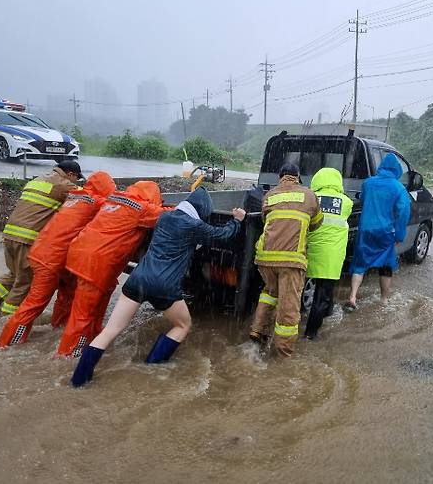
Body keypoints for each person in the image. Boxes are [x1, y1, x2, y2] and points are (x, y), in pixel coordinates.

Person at [70, 188, 246, 387]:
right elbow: (221, 235)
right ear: (201, 210)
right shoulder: (194, 225)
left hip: (137, 280)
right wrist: (237, 220)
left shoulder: (164, 218)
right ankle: (151, 369)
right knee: (183, 325)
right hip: (164, 286)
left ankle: (78, 380)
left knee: (111, 330)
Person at [0, 172, 116, 348]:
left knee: (66, 294)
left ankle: (57, 327)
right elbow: (119, 207)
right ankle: (6, 344)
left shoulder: (75, 197)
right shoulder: (95, 202)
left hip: (43, 252)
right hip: (50, 259)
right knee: (35, 304)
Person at [57, 180, 165, 357]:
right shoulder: (140, 208)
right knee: (83, 316)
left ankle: (86, 342)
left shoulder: (115, 199)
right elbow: (171, 216)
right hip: (95, 264)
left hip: (78, 256)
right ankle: (67, 357)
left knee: (84, 308)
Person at [0, 161, 81, 316]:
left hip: (10, 233)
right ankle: (4, 320)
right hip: (26, 238)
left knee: (14, 274)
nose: (76, 182)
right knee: (26, 280)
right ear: (71, 174)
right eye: (77, 179)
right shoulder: (63, 184)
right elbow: (87, 196)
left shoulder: (38, 179)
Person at [249, 163, 323, 358]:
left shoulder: (269, 195)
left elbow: (268, 221)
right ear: (297, 177)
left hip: (265, 258)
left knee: (269, 293)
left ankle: (257, 331)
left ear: (280, 177)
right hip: (291, 260)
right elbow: (316, 223)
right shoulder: (309, 195)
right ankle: (282, 355)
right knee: (288, 307)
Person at [346, 153, 411, 310]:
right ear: (396, 170)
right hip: (385, 231)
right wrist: (399, 235)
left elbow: (363, 199)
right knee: (386, 265)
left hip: (365, 230)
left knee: (360, 263)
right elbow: (403, 212)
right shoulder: (398, 188)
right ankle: (383, 300)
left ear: (381, 167)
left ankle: (353, 297)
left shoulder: (368, 183)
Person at [304, 167, 353, 340]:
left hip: (309, 251)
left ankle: (296, 322)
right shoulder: (346, 202)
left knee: (300, 290)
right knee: (323, 294)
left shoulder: (310, 199)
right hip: (332, 255)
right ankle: (311, 334)